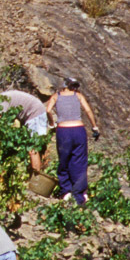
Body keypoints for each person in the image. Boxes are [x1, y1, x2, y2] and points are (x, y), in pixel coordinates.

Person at [47, 76, 99, 205]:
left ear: (64, 85)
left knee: (64, 160)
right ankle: (80, 193)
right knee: (79, 161)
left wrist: (52, 123)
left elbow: (48, 110)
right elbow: (88, 110)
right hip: (78, 130)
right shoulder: (78, 95)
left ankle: (66, 191)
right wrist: (94, 126)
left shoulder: (56, 96)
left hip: (63, 131)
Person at [0, 89, 49, 174]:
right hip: (35, 112)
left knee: (32, 147)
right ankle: (35, 172)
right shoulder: (2, 99)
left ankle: (37, 176)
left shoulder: (0, 102)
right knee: (32, 146)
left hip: (35, 113)